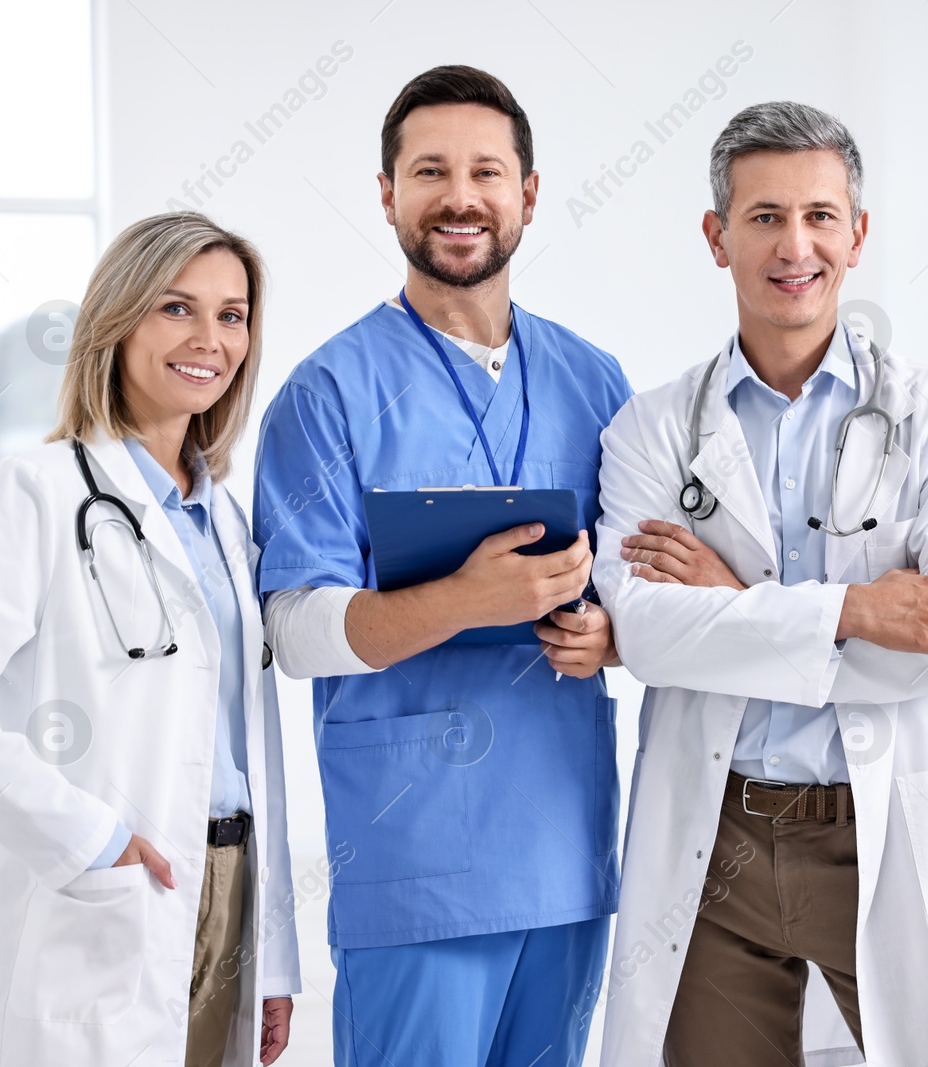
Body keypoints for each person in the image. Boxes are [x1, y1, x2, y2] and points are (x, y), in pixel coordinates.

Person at [593, 101, 928, 1067]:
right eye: (764, 216)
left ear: (858, 234)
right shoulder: (652, 428)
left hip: (880, 832)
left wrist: (733, 602)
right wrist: (860, 609)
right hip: (718, 841)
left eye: (822, 216)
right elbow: (647, 633)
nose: (797, 245)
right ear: (717, 237)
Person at [252, 65, 631, 1067]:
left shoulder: (594, 380)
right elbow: (293, 629)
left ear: (528, 194)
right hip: (413, 853)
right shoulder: (327, 392)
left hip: (565, 840)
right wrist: (463, 600)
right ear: (387, 194)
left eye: (485, 172)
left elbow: (642, 578)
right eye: (430, 171)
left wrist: (610, 629)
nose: (460, 197)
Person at [0, 211, 301, 1066]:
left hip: (230, 884)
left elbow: (250, 746)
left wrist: (273, 950)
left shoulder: (223, 517)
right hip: (114, 882)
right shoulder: (32, 492)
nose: (209, 339)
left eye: (232, 314)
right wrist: (89, 838)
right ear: (118, 319)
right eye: (177, 308)